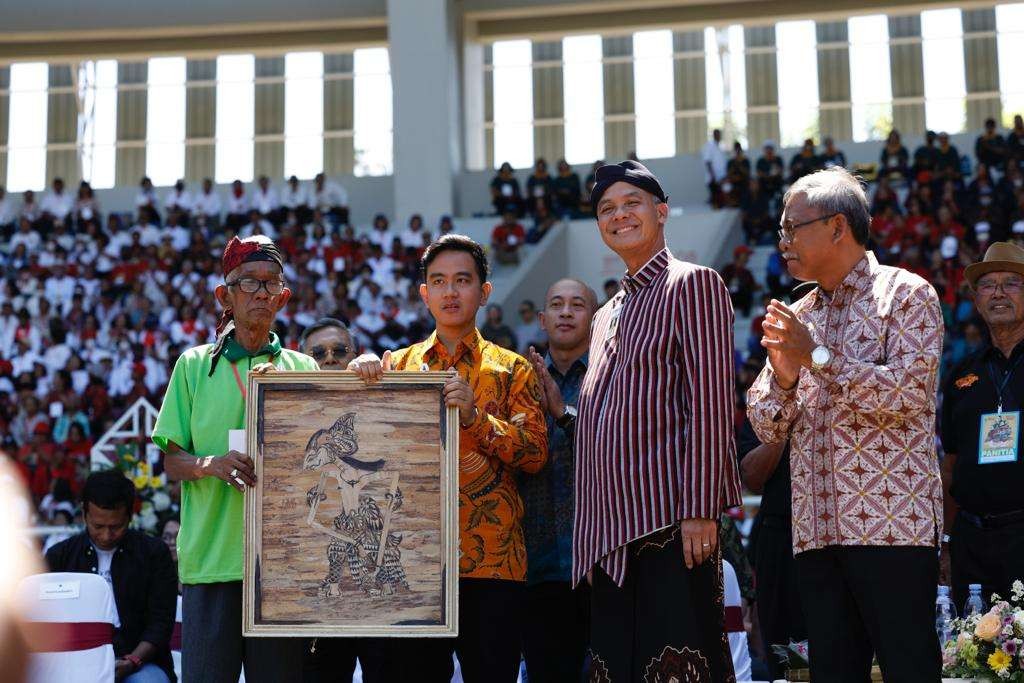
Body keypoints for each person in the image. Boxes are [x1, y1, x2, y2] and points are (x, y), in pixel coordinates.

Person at [746, 167, 943, 682]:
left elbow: (910, 393)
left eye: (793, 228)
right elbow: (766, 425)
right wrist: (787, 378)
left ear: (837, 227)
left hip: (892, 530)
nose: (783, 242)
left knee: (909, 668)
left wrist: (818, 358)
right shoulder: (797, 312)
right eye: (781, 231)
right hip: (815, 533)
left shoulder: (906, 295)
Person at [347, 234, 548, 682]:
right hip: (412, 562)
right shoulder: (396, 366)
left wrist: (476, 417)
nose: (450, 292)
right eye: (438, 281)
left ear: (484, 291)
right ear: (425, 294)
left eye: (462, 280)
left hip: (494, 563)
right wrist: (359, 377)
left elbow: (535, 454)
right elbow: (363, 452)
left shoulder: (513, 368)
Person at [577, 160, 740, 681]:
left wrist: (699, 510)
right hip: (609, 530)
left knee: (679, 665)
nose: (619, 215)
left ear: (661, 211)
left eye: (632, 203)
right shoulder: (605, 313)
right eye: (607, 209)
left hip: (671, 521)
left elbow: (711, 405)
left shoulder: (693, 284)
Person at [152, 235, 318, 682]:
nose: (261, 293)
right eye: (249, 282)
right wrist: (211, 465)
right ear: (224, 295)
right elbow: (171, 461)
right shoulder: (193, 365)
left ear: (283, 297)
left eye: (271, 284)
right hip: (212, 562)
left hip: (280, 568)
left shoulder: (303, 369)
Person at [519, 278, 596, 683]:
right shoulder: (518, 380)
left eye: (577, 304)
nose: (566, 312)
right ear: (542, 319)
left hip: (603, 564)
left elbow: (616, 452)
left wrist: (562, 412)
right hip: (538, 567)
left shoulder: (613, 380)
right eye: (557, 304)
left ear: (595, 319)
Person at [940, 242, 1024, 612]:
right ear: (976, 300)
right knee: (972, 658)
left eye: (1012, 284)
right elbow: (950, 466)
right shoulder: (962, 374)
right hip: (972, 542)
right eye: (989, 285)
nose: (999, 293)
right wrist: (945, 539)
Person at [46, 469, 177, 682]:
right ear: (84, 513)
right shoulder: (59, 556)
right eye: (98, 526)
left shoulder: (153, 553)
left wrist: (133, 660)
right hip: (74, 663)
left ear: (130, 516)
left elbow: (160, 624)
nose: (106, 535)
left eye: (116, 527)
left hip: (141, 662)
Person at [720, 245, 759, 317]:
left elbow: (752, 286)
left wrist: (757, 287)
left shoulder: (747, 272)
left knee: (747, 293)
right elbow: (721, 283)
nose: (748, 257)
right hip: (728, 298)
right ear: (739, 255)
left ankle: (745, 315)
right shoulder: (728, 269)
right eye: (746, 254)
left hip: (742, 299)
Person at [702, 129, 728, 208]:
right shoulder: (709, 145)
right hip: (713, 178)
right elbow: (708, 162)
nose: (718, 136)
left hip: (721, 177)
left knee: (721, 197)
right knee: (715, 199)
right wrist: (713, 176)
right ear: (714, 135)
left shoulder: (720, 146)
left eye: (719, 134)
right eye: (717, 134)